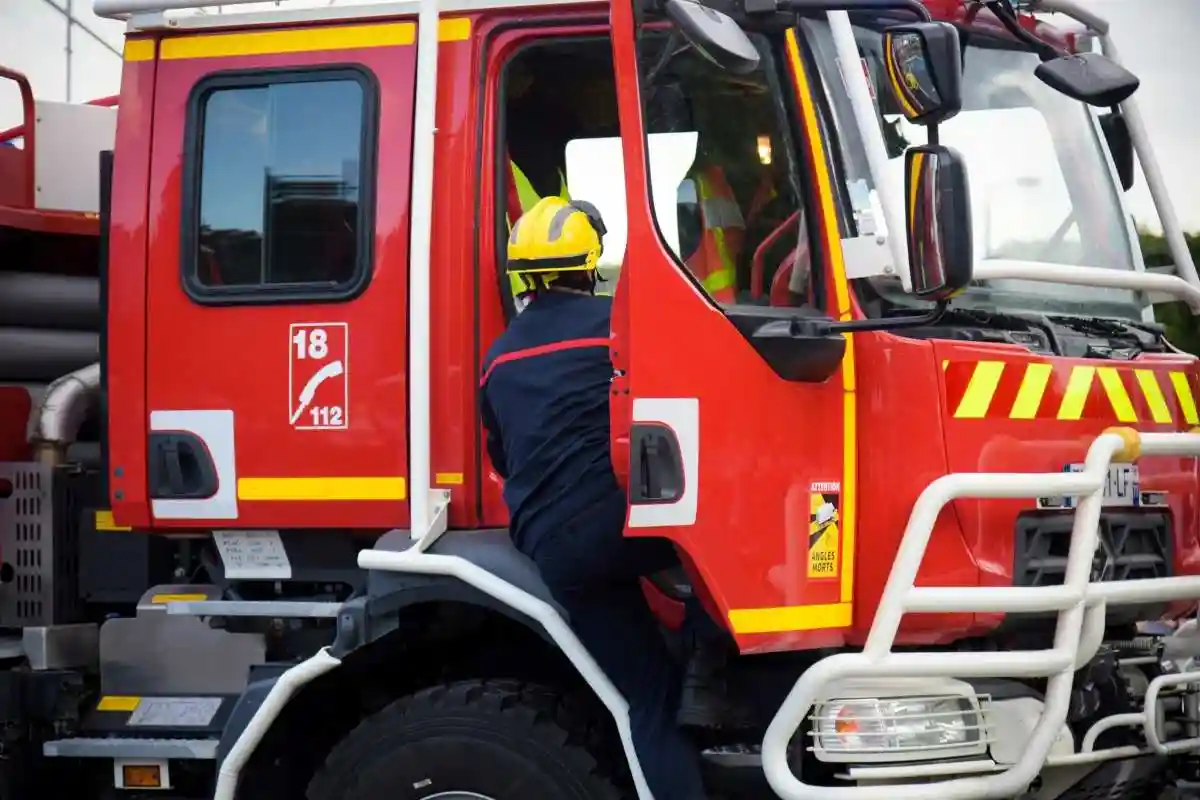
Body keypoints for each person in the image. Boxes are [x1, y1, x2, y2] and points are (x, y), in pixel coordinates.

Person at [479, 196, 709, 800]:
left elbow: (502, 458)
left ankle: (684, 690)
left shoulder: (497, 358)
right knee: (731, 542)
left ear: (522, 275)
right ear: (589, 264)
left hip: (556, 550)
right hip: (625, 523)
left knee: (646, 702)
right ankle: (708, 667)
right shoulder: (617, 328)